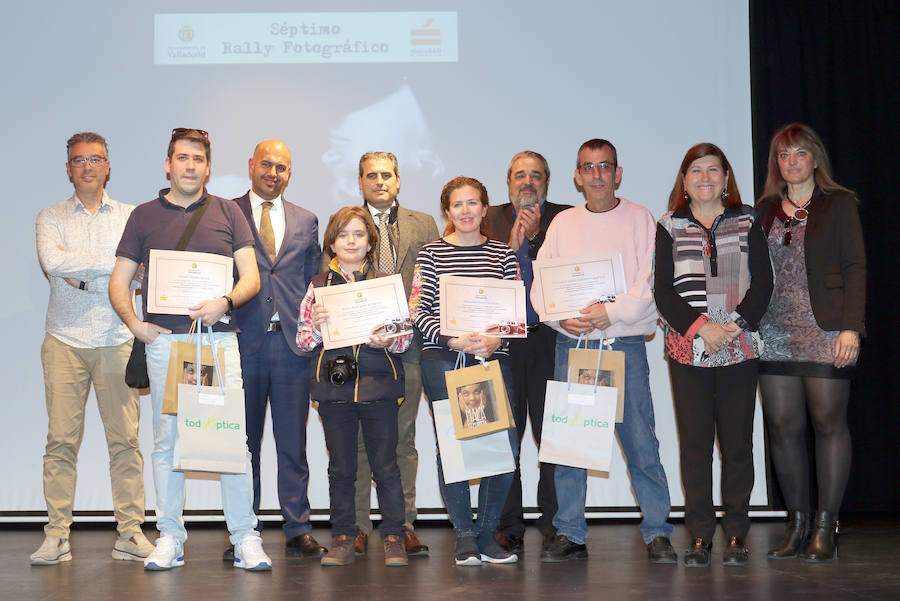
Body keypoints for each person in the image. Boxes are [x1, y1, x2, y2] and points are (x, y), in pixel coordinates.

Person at [109, 128, 271, 571]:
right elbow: (118, 281)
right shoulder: (143, 216)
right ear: (168, 164)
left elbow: (251, 278)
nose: (190, 166)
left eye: (198, 159)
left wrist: (226, 301)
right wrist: (135, 324)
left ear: (208, 166)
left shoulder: (230, 213)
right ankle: (170, 536)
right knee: (168, 442)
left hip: (217, 342)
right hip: (166, 343)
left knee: (231, 439)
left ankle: (244, 536)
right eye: (182, 158)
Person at [536, 139, 676, 564]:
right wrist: (564, 319)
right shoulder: (562, 224)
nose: (596, 175)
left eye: (604, 167)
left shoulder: (640, 219)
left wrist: (609, 313)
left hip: (623, 344)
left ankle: (657, 532)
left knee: (640, 442)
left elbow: (650, 282)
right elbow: (543, 281)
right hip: (574, 344)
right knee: (570, 443)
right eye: (587, 167)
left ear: (617, 173)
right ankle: (570, 533)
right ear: (577, 177)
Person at [32, 132, 153, 565]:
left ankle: (130, 532)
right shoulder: (50, 216)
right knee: (60, 441)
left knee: (125, 442)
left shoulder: (131, 216)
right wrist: (114, 266)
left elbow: (141, 274)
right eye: (79, 160)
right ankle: (57, 535)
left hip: (117, 338)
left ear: (108, 166)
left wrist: (84, 270)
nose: (87, 166)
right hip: (64, 340)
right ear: (68, 168)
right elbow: (53, 263)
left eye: (95, 159)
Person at [654, 142, 773, 567]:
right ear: (684, 181)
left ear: (726, 179)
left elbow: (763, 284)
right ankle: (700, 536)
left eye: (713, 170)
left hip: (740, 348)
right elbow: (663, 291)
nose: (704, 178)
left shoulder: (747, 221)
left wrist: (733, 327)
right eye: (696, 171)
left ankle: (737, 534)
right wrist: (703, 328)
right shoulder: (668, 224)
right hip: (689, 350)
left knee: (738, 445)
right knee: (696, 445)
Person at [755, 124, 865, 562]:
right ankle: (797, 525)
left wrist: (851, 327)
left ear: (815, 158)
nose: (793, 162)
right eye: (784, 155)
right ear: (776, 164)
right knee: (782, 429)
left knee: (828, 424)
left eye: (801, 153)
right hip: (774, 330)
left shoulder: (838, 204)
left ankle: (826, 526)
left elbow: (855, 266)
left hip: (826, 330)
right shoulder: (764, 209)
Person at [323, 152, 439, 558]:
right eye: (371, 175)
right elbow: (331, 288)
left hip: (408, 348)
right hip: (359, 352)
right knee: (355, 444)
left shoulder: (423, 224)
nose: (380, 181)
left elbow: (432, 280)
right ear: (360, 181)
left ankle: (402, 524)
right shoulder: (347, 225)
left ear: (398, 180)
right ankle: (355, 527)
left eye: (386, 175)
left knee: (400, 442)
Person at [409, 176, 521, 566]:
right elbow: (416, 310)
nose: (466, 211)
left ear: (485, 208)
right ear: (448, 211)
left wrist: (497, 341)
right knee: (454, 446)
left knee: (502, 447)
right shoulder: (431, 254)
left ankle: (489, 534)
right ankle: (465, 535)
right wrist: (450, 338)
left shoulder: (504, 255)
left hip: (492, 358)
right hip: (444, 358)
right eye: (458, 205)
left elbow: (515, 313)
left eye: (473, 203)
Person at [226, 139, 326, 561]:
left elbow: (314, 279)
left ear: (289, 173)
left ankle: (297, 527)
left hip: (291, 346)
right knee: (242, 445)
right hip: (240, 343)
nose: (273, 172)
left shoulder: (307, 219)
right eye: (266, 164)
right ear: (251, 166)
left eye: (281, 167)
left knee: (292, 442)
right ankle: (243, 531)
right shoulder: (226, 213)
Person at [297, 206, 410, 567]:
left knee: (386, 466)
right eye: (343, 234)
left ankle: (393, 535)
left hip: (379, 389)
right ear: (331, 243)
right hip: (336, 394)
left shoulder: (384, 284)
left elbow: (405, 340)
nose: (351, 241)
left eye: (359, 234)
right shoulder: (317, 288)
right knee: (342, 469)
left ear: (370, 242)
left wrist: (387, 340)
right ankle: (344, 536)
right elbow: (302, 342)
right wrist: (315, 325)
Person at [485, 150, 570, 554]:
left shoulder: (566, 218)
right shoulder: (489, 218)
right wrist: (511, 244)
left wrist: (535, 239)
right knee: (506, 436)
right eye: (520, 175)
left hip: (549, 338)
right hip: (502, 343)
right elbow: (480, 271)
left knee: (552, 435)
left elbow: (572, 271)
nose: (528, 182)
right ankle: (508, 525)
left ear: (547, 182)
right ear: (508, 181)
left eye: (536, 175)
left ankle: (555, 523)